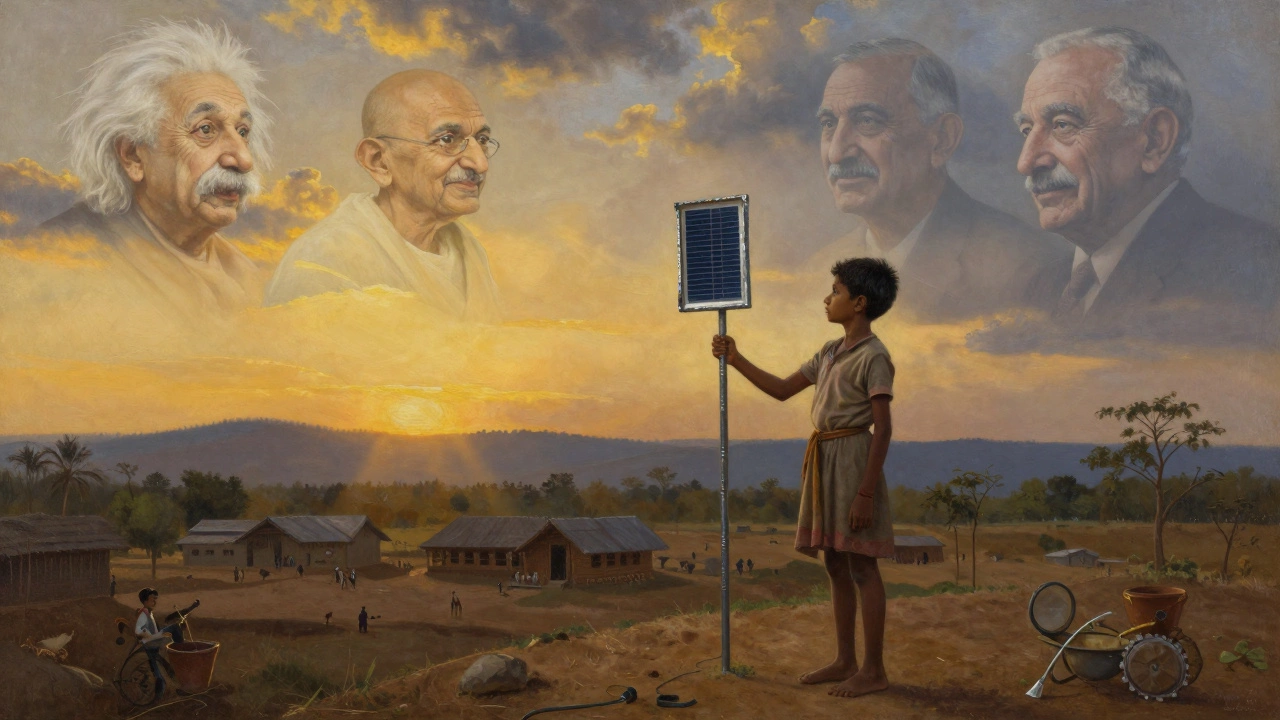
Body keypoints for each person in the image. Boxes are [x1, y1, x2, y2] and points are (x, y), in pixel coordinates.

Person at [712, 257, 899, 699]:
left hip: (854, 460)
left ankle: (873, 669)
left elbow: (884, 427)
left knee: (862, 564)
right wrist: (735, 359)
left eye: (834, 291)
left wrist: (865, 493)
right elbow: (781, 389)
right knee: (835, 560)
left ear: (858, 302)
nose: (826, 298)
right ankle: (844, 659)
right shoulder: (830, 352)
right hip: (824, 458)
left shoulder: (874, 356)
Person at [1016, 27, 1279, 341]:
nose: (1027, 162)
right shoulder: (1042, 287)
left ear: (1155, 140)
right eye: (1026, 130)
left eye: (1062, 125)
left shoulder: (1255, 271)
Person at [819, 39, 1070, 322]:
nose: (837, 152)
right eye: (828, 124)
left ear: (941, 140)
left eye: (867, 121)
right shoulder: (815, 270)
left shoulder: (1026, 269)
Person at [38, 21, 271, 317]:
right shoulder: (63, 262)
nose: (242, 158)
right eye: (206, 129)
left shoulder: (246, 277)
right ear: (133, 156)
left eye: (242, 130)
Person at [264, 70, 502, 322]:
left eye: (482, 140)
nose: (480, 163)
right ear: (378, 161)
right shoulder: (325, 260)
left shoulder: (467, 249)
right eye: (447, 140)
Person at [135, 588, 185, 701]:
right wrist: (153, 636)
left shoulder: (149, 613)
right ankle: (183, 651)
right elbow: (138, 631)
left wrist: (158, 634)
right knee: (175, 628)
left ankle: (158, 697)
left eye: (155, 599)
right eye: (153, 600)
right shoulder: (143, 614)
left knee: (159, 673)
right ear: (145, 601)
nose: (155, 602)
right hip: (151, 642)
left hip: (153, 641)